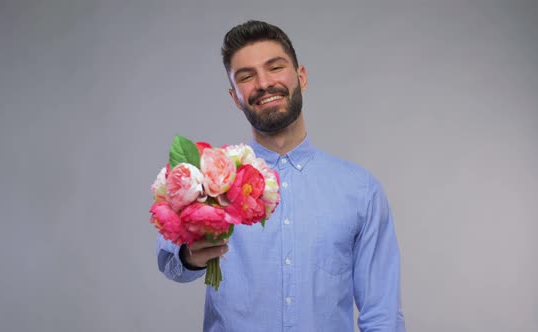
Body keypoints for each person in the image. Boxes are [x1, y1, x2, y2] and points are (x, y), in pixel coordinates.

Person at [156, 20, 406, 332]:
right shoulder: (208, 179)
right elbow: (170, 265)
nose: (263, 83)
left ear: (301, 77)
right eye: (246, 77)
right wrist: (190, 255)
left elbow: (382, 316)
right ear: (235, 97)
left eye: (275, 67)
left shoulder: (360, 190)